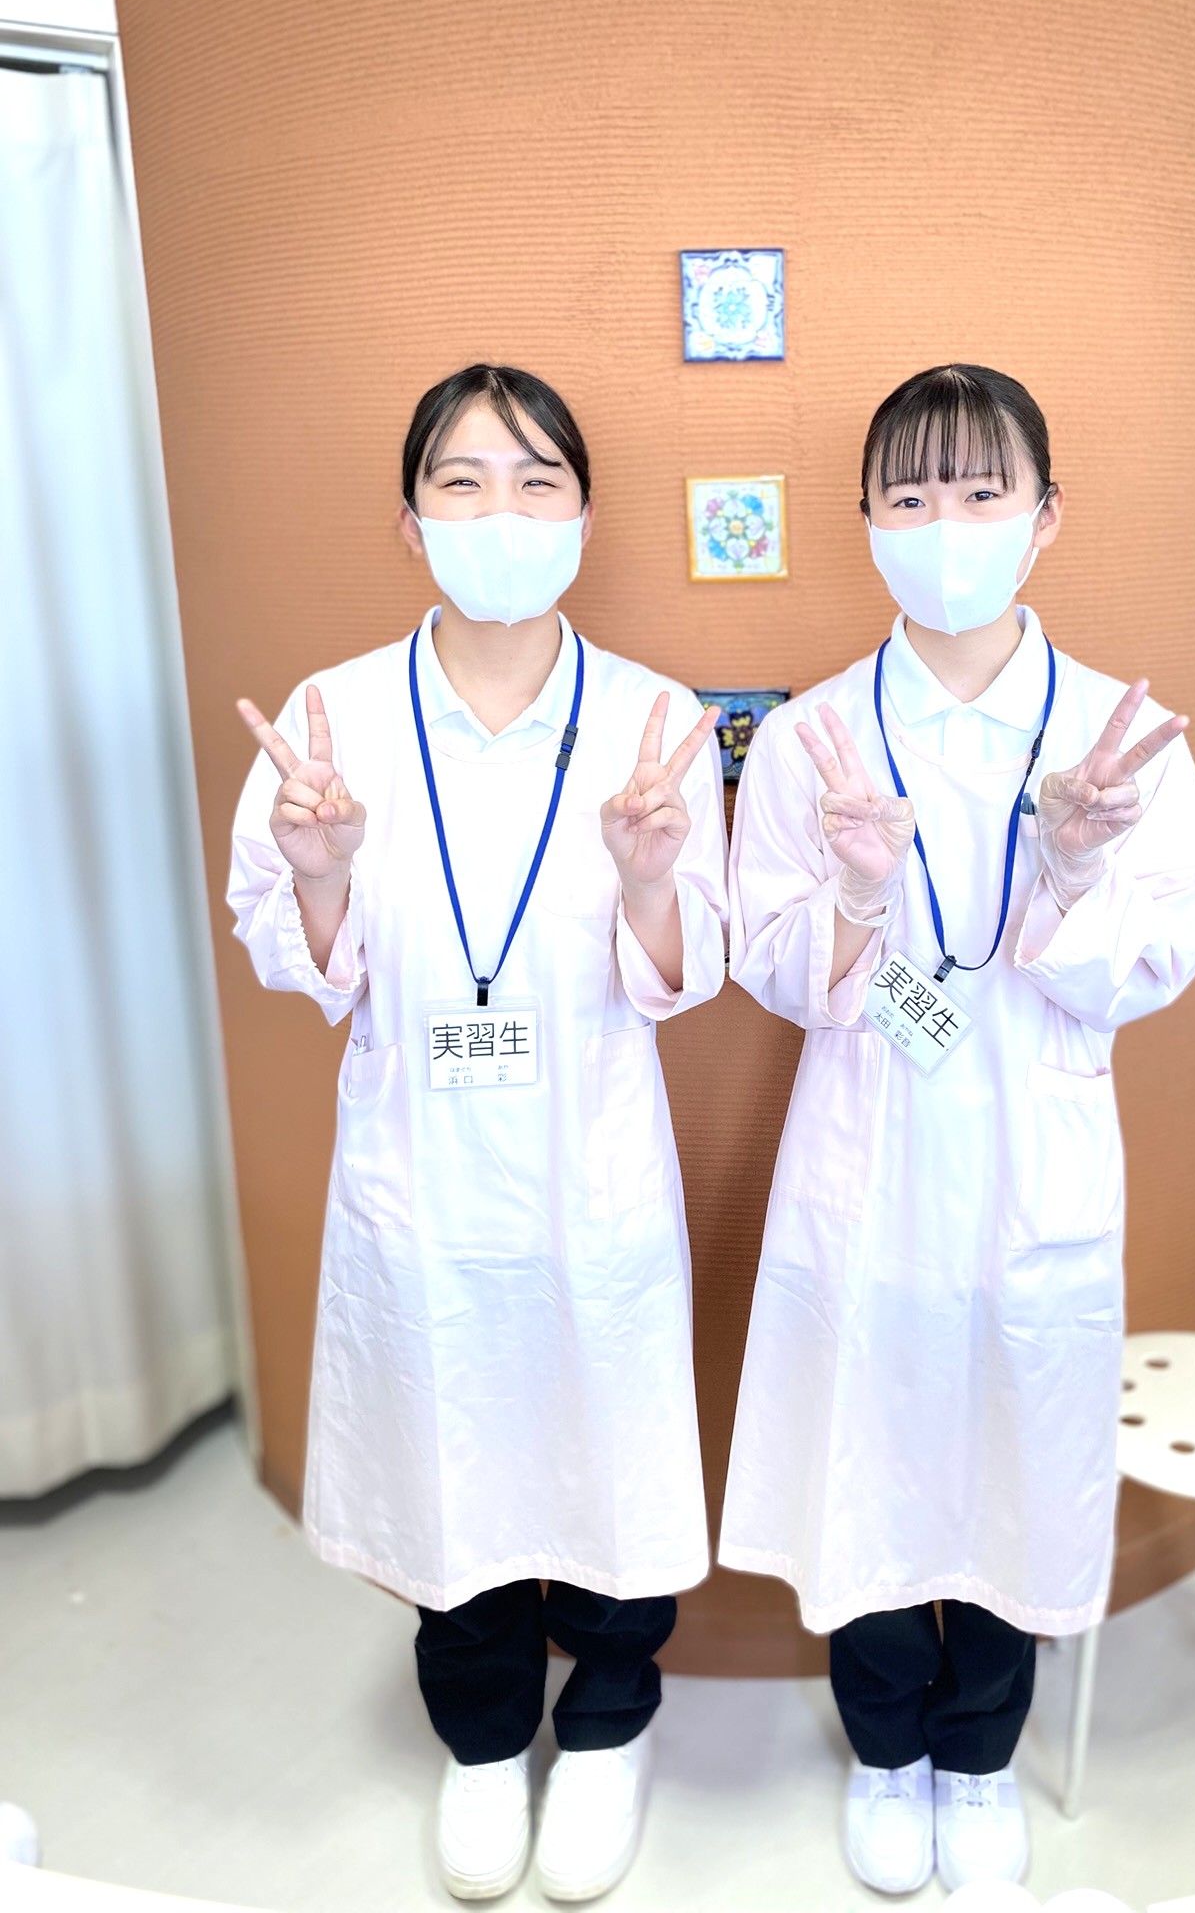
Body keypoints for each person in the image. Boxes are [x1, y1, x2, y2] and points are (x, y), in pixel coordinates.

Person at [719, 364, 1195, 1895]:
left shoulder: (1120, 744)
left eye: (982, 491)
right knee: (867, 1450)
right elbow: (769, 960)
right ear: (869, 522)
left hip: (1032, 1163)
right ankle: (887, 1751)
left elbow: (1161, 958)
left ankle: (982, 1757)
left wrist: (1071, 872)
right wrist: (858, 895)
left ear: (1046, 515)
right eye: (911, 494)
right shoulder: (811, 739)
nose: (946, 526)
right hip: (866, 1162)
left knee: (1019, 1448)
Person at [228, 364, 726, 1904]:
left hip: (592, 1165)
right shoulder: (331, 721)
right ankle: (482, 1737)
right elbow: (300, 962)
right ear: (410, 520)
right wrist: (321, 871)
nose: (499, 511)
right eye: (461, 480)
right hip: (426, 1176)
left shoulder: (653, 721)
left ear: (583, 514)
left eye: (535, 480)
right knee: (452, 1451)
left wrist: (650, 879)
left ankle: (612, 1727)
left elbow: (686, 970)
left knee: (607, 1444)